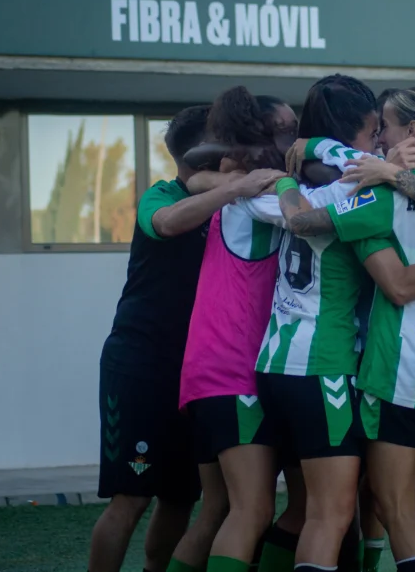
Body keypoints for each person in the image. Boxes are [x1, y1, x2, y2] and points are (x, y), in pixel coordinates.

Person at [279, 86, 415, 572]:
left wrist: (283, 180)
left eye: (385, 129)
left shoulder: (380, 197)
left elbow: (306, 222)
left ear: (411, 132)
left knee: (396, 512)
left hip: (396, 373)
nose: (377, 143)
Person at [90, 105, 282, 572]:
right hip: (140, 366)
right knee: (131, 498)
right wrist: (236, 187)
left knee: (180, 497)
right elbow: (167, 223)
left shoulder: (243, 205)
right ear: (207, 151)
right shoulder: (162, 195)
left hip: (198, 375)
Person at [166, 88, 295, 572]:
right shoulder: (260, 197)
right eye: (286, 130)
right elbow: (314, 210)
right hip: (233, 373)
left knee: (219, 509)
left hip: (208, 373)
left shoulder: (235, 188)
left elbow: (199, 171)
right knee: (253, 509)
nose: (295, 138)